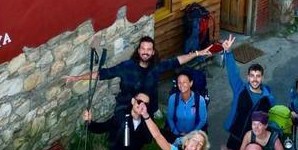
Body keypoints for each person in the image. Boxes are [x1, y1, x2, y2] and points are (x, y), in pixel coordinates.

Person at [65, 36, 208, 114]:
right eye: (143, 49)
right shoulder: (126, 66)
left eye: (149, 49)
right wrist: (76, 78)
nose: (145, 52)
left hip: (148, 109)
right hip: (126, 108)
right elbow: (102, 74)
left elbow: (178, 60)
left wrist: (197, 53)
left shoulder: (156, 67)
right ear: (139, 50)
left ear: (152, 52)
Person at [219, 35, 274, 150]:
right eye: (252, 75)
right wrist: (228, 52)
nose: (255, 79)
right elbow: (233, 73)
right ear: (248, 77)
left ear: (262, 78)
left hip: (256, 139)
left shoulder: (268, 98)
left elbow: (269, 119)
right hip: (236, 136)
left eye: (258, 76)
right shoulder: (240, 89)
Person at [165, 70, 208, 141]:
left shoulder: (200, 100)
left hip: (193, 136)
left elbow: (202, 120)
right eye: (179, 82)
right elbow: (170, 117)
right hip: (177, 135)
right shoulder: (173, 98)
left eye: (184, 82)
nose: (181, 85)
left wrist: (190, 135)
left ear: (190, 83)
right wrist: (176, 132)